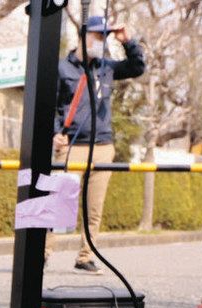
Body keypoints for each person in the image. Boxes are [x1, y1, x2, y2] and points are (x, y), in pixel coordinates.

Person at [50, 15, 146, 274]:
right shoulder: (62, 68)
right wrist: (56, 133)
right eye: (97, 35)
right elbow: (50, 107)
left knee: (94, 208)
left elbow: (137, 67)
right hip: (72, 146)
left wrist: (127, 41)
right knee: (59, 203)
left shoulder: (106, 68)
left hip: (103, 145)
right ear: (83, 36)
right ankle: (43, 253)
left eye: (104, 36)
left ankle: (86, 256)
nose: (101, 41)